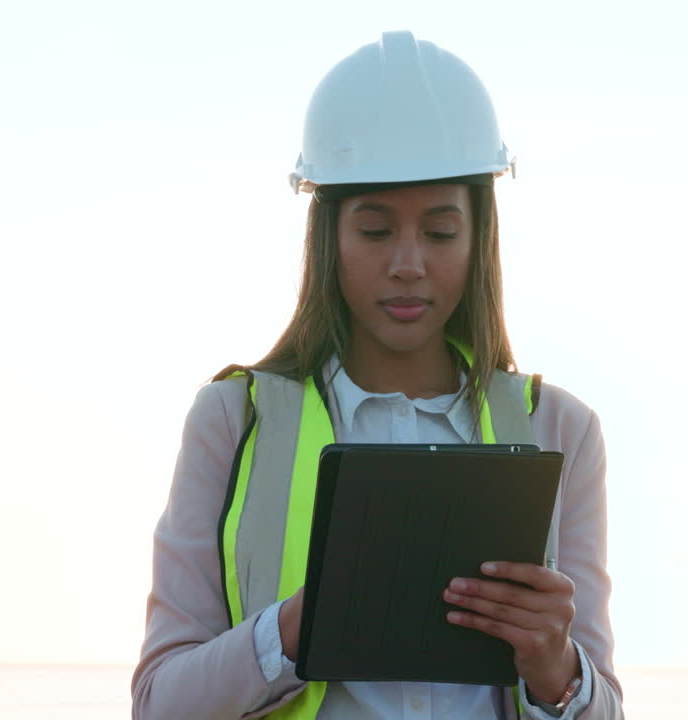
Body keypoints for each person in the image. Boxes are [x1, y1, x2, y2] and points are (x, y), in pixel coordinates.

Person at [132, 31, 624, 719]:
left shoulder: (560, 429)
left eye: (440, 232)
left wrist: (558, 672)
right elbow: (159, 705)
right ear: (327, 236)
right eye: (374, 229)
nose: (407, 263)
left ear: (479, 238)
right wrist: (295, 630)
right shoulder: (231, 421)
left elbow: (604, 708)